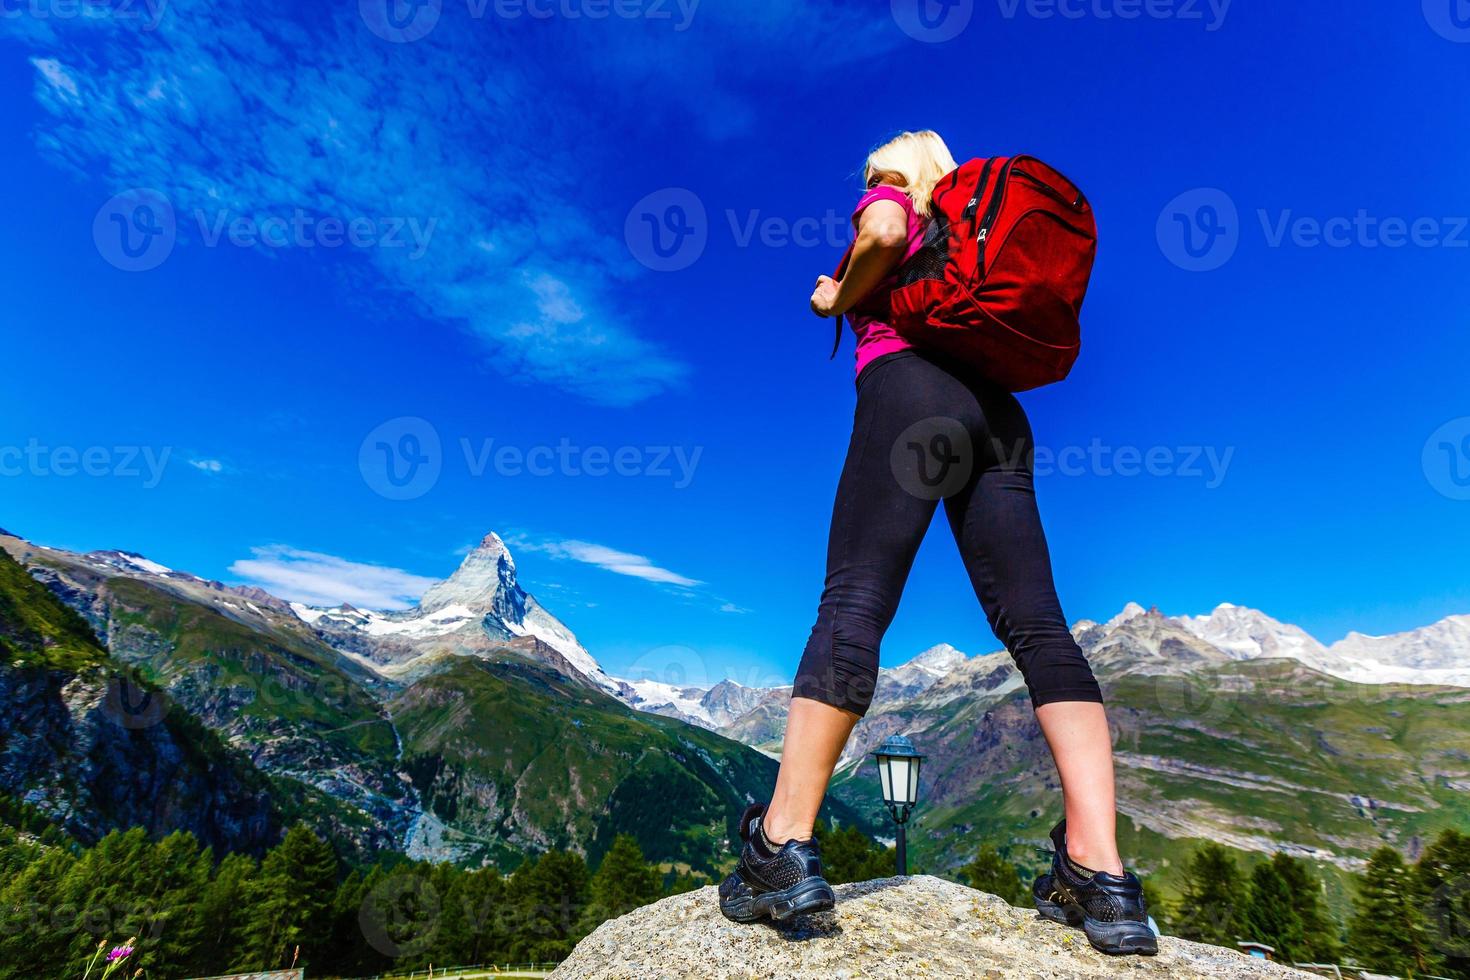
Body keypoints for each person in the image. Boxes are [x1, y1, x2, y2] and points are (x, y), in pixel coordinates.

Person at [716, 130, 1156, 957]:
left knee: (853, 601)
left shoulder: (898, 198)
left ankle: (781, 843)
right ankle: (1102, 875)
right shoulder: (968, 233)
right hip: (1000, 418)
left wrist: (835, 296)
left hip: (911, 394)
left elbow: (880, 234)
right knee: (1041, 629)